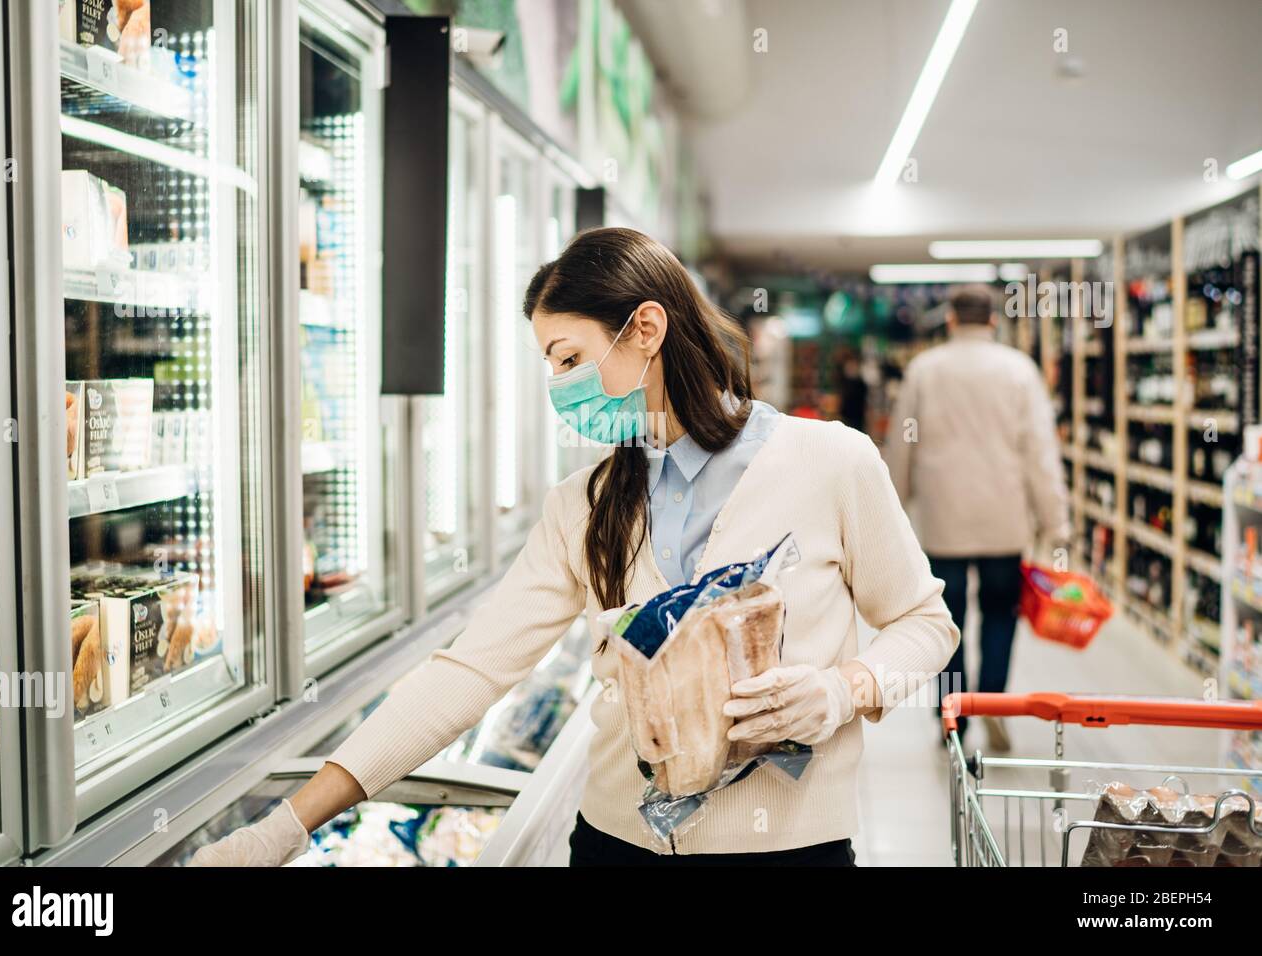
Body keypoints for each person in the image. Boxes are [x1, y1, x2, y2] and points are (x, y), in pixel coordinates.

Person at [191, 228, 958, 867]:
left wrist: (843, 689)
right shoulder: (585, 503)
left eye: (567, 357)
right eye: (549, 364)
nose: (557, 383)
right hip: (614, 845)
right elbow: (471, 669)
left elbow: (926, 626)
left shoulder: (830, 462)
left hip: (788, 851)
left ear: (647, 330)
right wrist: (289, 825)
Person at [883, 285, 1069, 752]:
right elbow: (1040, 453)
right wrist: (1056, 522)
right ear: (992, 322)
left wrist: (891, 508)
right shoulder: (1019, 371)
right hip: (1003, 520)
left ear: (950, 320)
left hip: (943, 521)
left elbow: (901, 445)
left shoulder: (924, 370)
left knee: (946, 622)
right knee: (1001, 614)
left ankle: (953, 716)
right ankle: (991, 704)